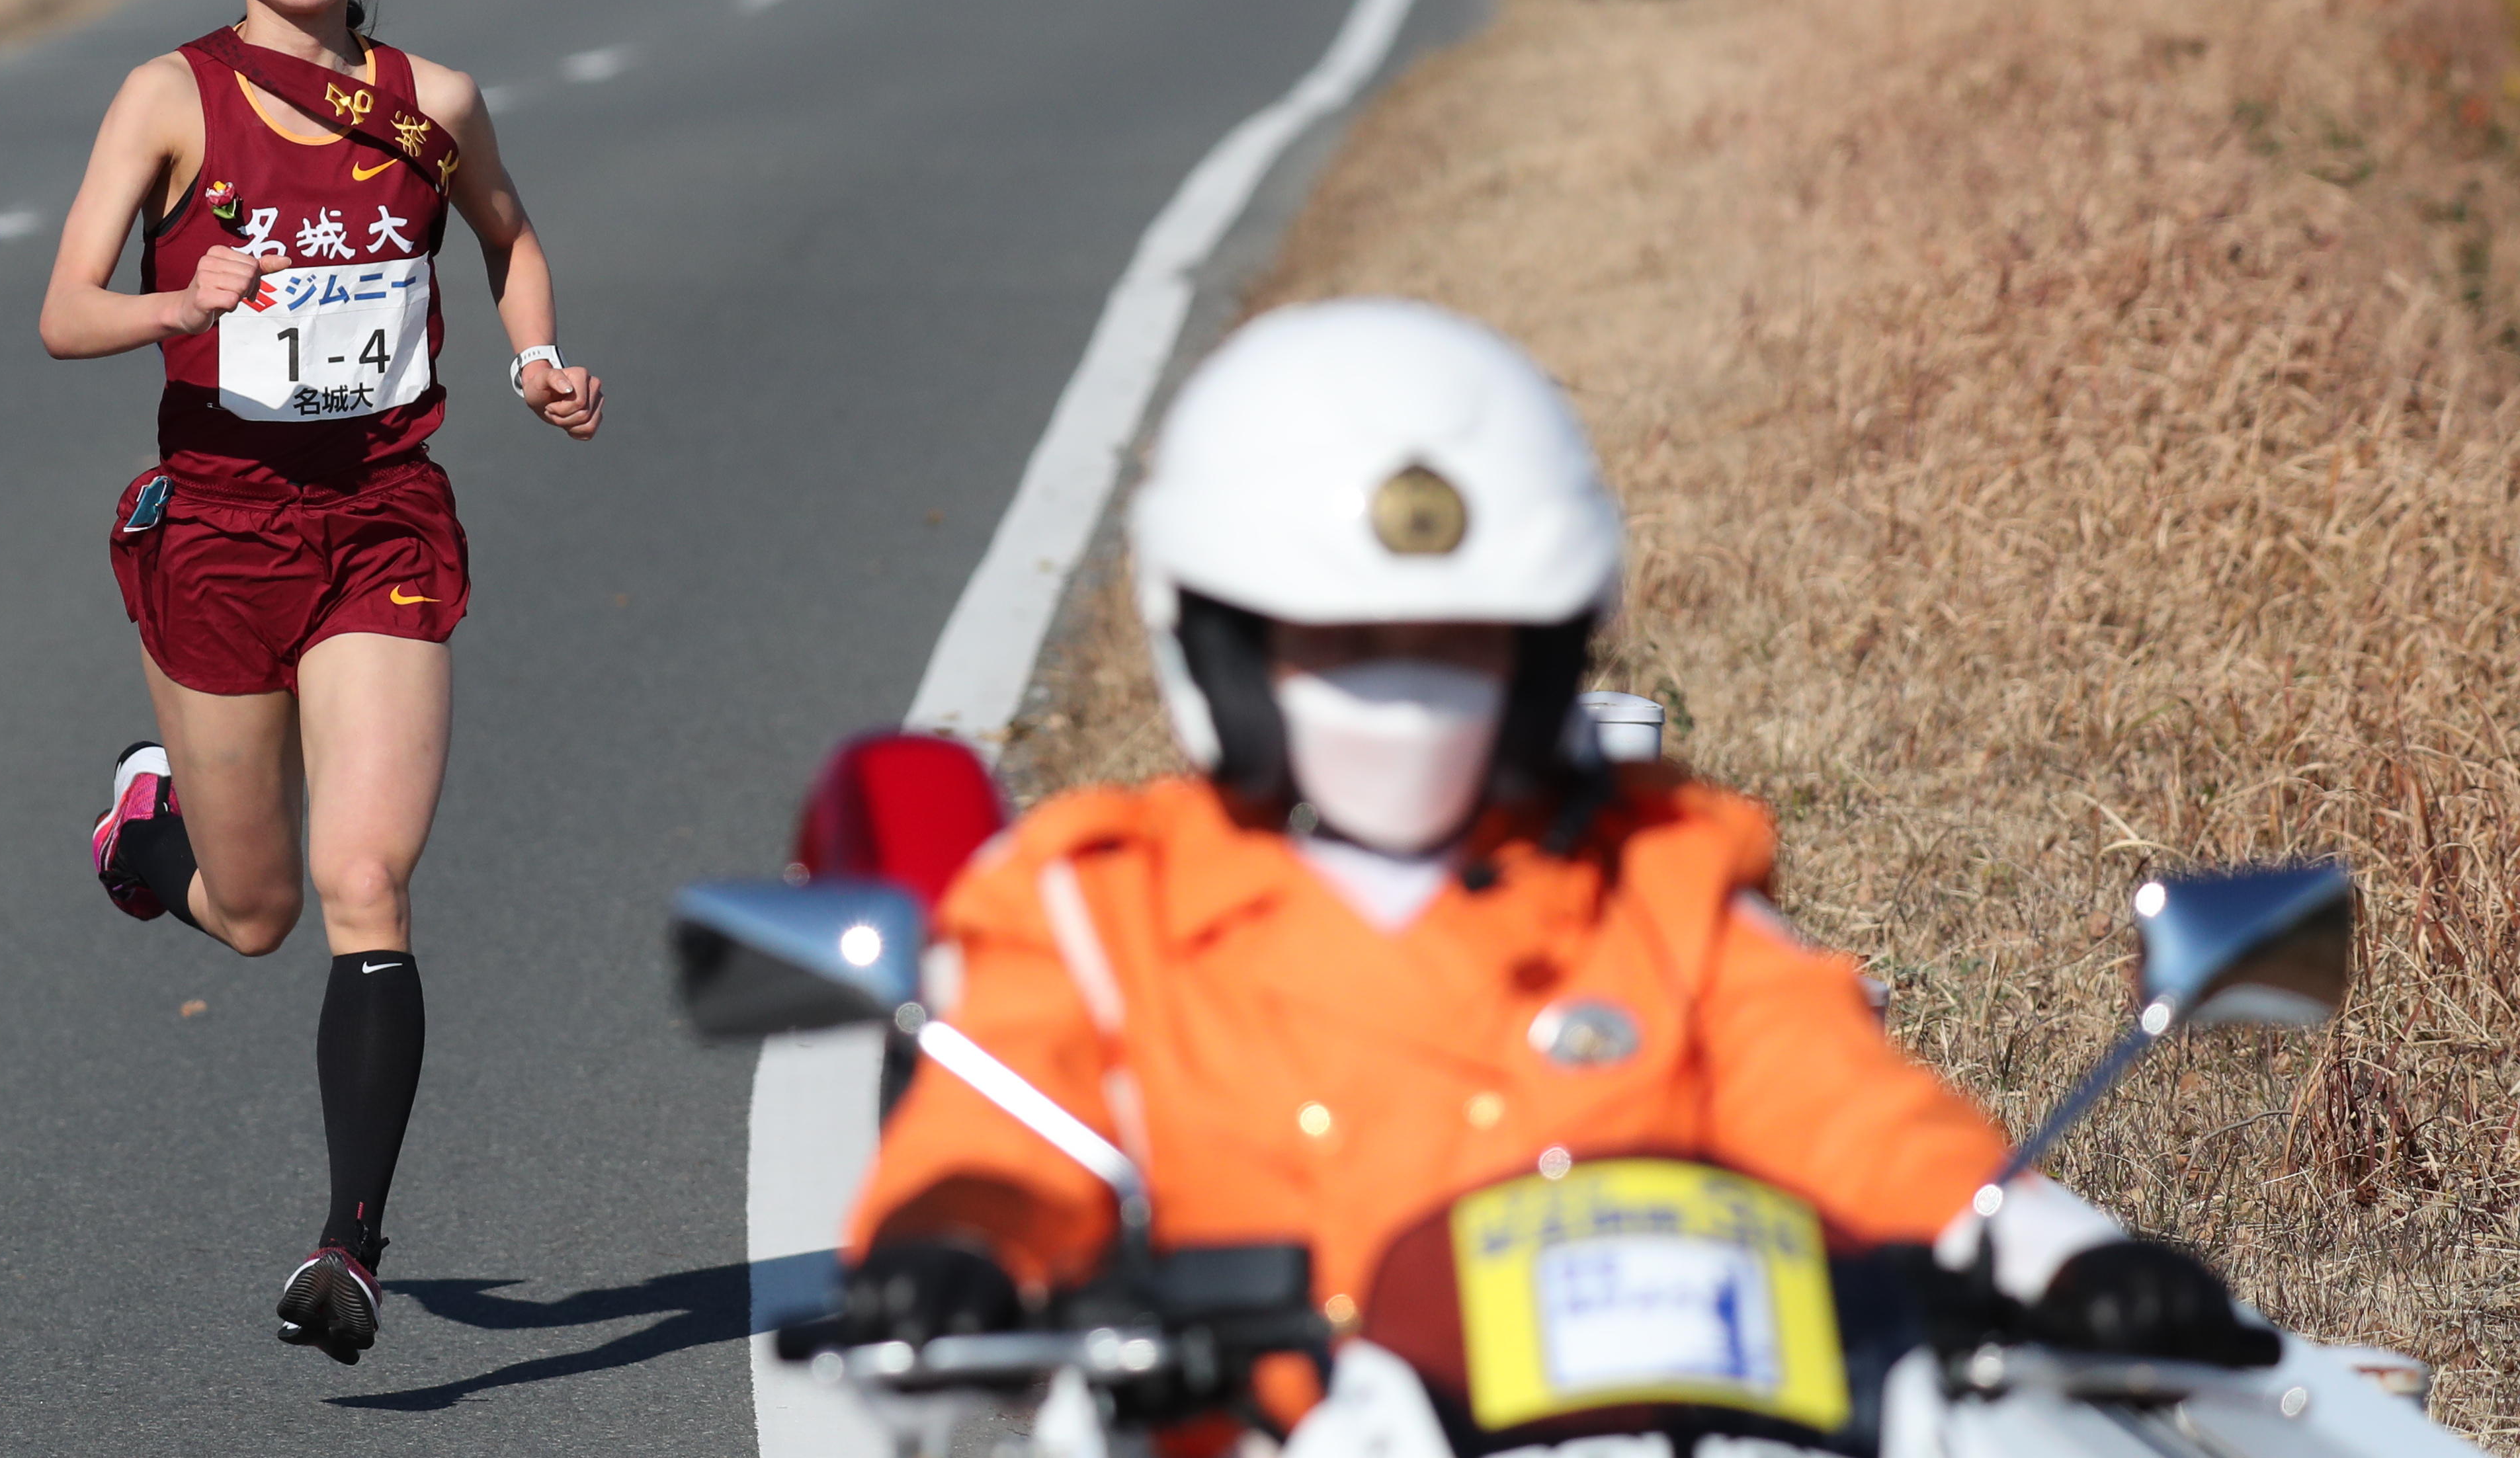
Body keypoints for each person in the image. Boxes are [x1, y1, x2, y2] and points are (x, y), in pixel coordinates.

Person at [839, 299, 2275, 1431]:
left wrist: (2056, 1258)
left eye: (1464, 642)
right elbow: (999, 1140)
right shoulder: (1095, 907)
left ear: (1545, 655)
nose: (1405, 694)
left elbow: (1846, 1107)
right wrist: (954, 1256)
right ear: (1220, 647)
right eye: (1339, 646)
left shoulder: (1658, 877)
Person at [42, 0, 607, 1367]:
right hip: (216, 527)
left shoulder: (434, 102)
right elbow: (63, 311)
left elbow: (506, 238)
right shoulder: (168, 97)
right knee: (255, 908)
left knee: (365, 883)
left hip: (380, 518)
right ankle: (144, 837)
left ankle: (347, 1249)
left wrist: (535, 356)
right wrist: (179, 303)